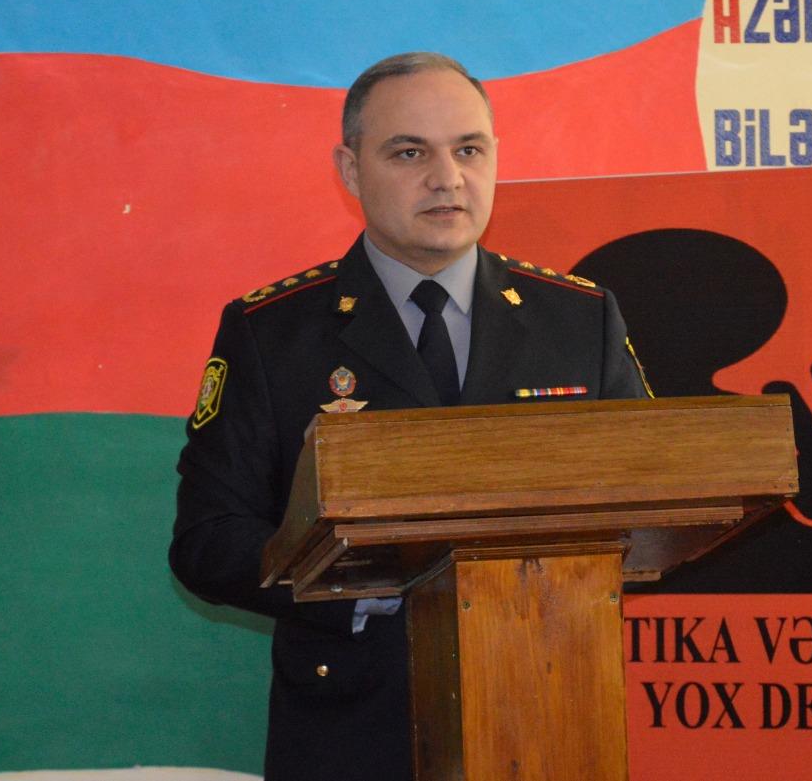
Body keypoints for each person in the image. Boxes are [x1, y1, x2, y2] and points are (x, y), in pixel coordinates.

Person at [169, 52, 652, 781]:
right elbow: (208, 539)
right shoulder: (272, 333)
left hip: (548, 713)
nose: (447, 177)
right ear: (351, 169)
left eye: (469, 150)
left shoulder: (579, 318)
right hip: (352, 731)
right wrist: (346, 586)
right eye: (409, 153)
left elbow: (650, 502)